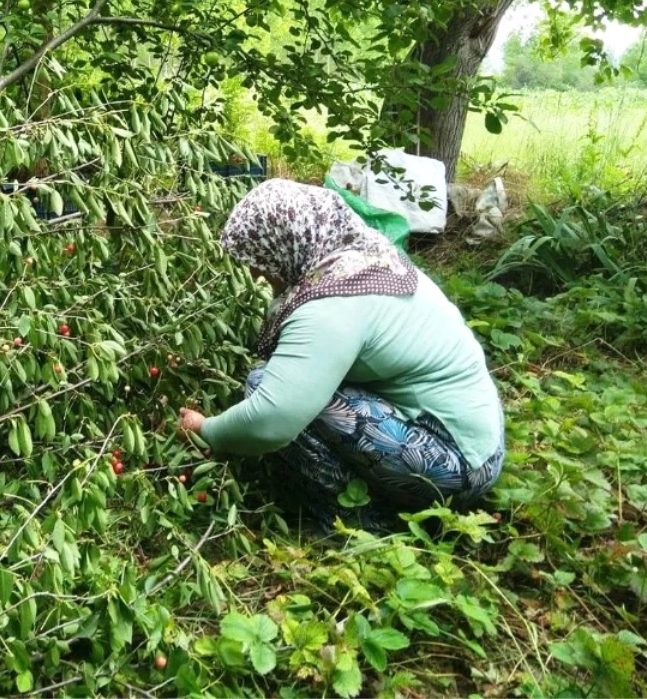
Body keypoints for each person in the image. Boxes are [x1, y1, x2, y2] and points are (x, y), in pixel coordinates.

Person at [177, 179, 505, 527]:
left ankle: (361, 520)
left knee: (264, 385)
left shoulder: (331, 306)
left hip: (452, 466)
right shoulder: (362, 260)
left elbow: (272, 419)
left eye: (259, 258)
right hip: (480, 444)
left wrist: (208, 429)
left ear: (285, 243)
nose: (255, 272)